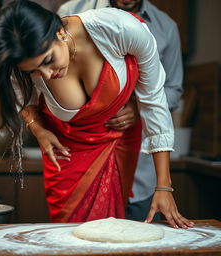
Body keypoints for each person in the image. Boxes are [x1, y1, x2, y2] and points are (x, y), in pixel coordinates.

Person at [0, 0, 193, 228]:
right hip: (68, 159)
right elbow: (20, 93)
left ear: (59, 31)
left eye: (48, 60)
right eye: (34, 71)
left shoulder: (120, 29)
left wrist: (163, 187)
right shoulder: (23, 58)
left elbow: (155, 101)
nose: (46, 75)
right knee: (71, 239)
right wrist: (38, 129)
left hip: (122, 145)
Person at [57, 0, 183, 222]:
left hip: (142, 166)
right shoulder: (70, 13)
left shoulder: (165, 27)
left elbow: (170, 90)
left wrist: (138, 105)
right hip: (81, 158)